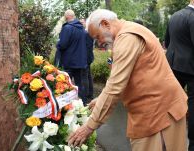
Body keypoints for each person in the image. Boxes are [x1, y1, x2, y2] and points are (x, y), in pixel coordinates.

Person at [68, 9, 188, 151]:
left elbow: (115, 86)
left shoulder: (127, 37)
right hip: (155, 111)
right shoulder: (127, 32)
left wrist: (89, 126)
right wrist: (100, 99)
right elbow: (121, 79)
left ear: (105, 24)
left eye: (97, 36)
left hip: (159, 114)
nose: (99, 42)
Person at [164, 1, 194, 150]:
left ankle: (165, 138)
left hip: (173, 65)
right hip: (191, 68)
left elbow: (167, 41)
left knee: (171, 102)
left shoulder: (174, 15)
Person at [56, 10, 88, 104]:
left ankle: (65, 107)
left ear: (66, 17)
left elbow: (63, 45)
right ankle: (83, 105)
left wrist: (58, 44)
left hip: (69, 62)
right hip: (80, 61)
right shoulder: (82, 28)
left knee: (65, 85)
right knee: (79, 85)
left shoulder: (67, 28)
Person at [80, 18, 95, 102]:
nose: (81, 24)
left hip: (86, 58)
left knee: (85, 76)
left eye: (82, 22)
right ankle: (90, 94)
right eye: (80, 22)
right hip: (87, 58)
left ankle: (87, 95)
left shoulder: (87, 33)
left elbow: (89, 48)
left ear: (85, 23)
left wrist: (85, 59)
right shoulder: (84, 33)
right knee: (88, 76)